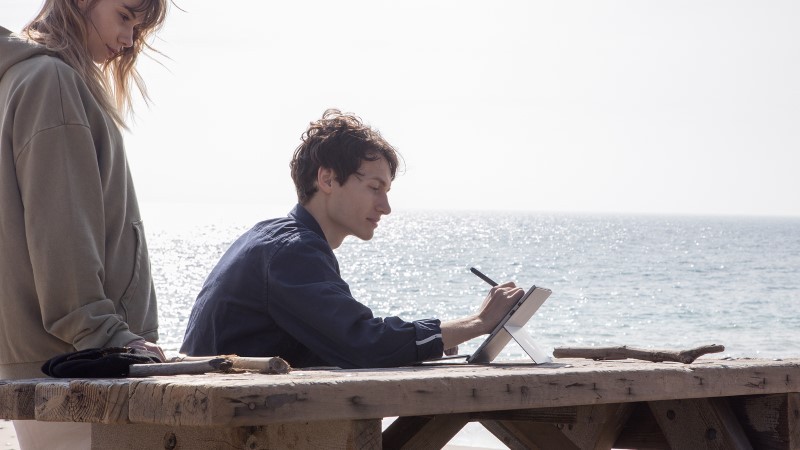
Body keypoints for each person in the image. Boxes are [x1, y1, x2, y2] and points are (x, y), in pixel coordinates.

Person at [181, 109, 525, 369]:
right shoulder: (292, 250)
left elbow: (339, 341)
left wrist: (435, 339)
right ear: (327, 180)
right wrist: (478, 323)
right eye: (375, 188)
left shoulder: (275, 239)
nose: (385, 207)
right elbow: (363, 343)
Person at [0, 0, 169, 447]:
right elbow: (61, 236)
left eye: (138, 28)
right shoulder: (51, 81)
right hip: (79, 375)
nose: (128, 40)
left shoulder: (20, 77)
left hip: (46, 370)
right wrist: (110, 339)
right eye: (124, 16)